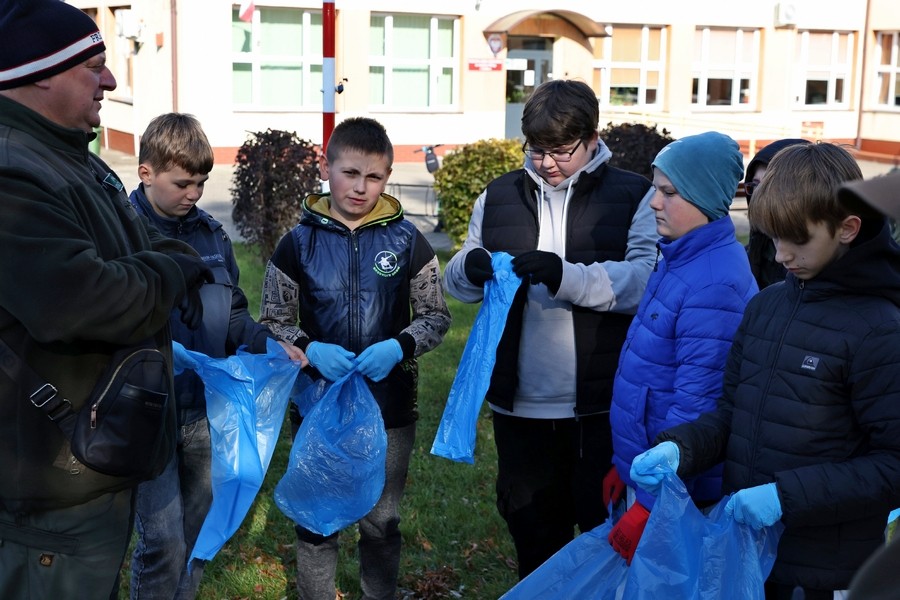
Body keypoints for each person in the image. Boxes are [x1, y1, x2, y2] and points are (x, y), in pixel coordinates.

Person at [0, 1, 213, 598]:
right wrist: (176, 267)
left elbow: (138, 246)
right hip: (46, 488)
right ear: (40, 73)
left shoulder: (68, 158)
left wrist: (162, 263)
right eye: (94, 67)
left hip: (87, 466)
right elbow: (86, 299)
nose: (112, 80)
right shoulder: (13, 171)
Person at [630, 143, 900, 599]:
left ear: (848, 228)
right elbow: (732, 413)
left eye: (797, 239)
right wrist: (682, 448)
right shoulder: (766, 306)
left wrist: (783, 496)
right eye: (773, 237)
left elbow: (892, 464)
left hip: (825, 573)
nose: (780, 256)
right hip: (749, 556)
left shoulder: (879, 328)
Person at [442, 79, 657, 579]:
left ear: (592, 138)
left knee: (608, 547)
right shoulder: (498, 195)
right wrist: (468, 269)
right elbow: (459, 277)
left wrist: (567, 277)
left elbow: (646, 282)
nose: (547, 163)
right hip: (520, 410)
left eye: (561, 151)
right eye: (536, 150)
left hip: (602, 409)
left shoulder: (634, 195)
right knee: (535, 543)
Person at [259, 116, 451, 600]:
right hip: (318, 404)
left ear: (387, 177)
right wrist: (309, 348)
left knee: (381, 520)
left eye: (374, 177)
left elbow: (436, 316)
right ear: (327, 168)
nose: (361, 188)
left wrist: (399, 346)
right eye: (349, 173)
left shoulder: (408, 240)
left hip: (389, 406)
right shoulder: (297, 243)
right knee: (316, 520)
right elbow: (271, 320)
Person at [126, 113, 305, 599]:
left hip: (206, 411)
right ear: (146, 173)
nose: (194, 194)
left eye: (201, 183)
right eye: (182, 183)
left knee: (198, 533)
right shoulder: (120, 233)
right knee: (163, 541)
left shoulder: (211, 235)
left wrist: (268, 344)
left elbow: (233, 315)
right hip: (145, 411)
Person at [606, 132, 758, 564]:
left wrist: (651, 503)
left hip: (678, 495)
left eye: (669, 192)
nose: (654, 203)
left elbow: (697, 404)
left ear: (704, 197)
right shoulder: (679, 257)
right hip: (652, 472)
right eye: (656, 189)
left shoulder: (713, 283)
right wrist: (625, 464)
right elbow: (652, 371)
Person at [743, 138, 810, 289]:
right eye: (755, 185)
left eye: (769, 186)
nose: (758, 195)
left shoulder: (813, 258)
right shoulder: (753, 247)